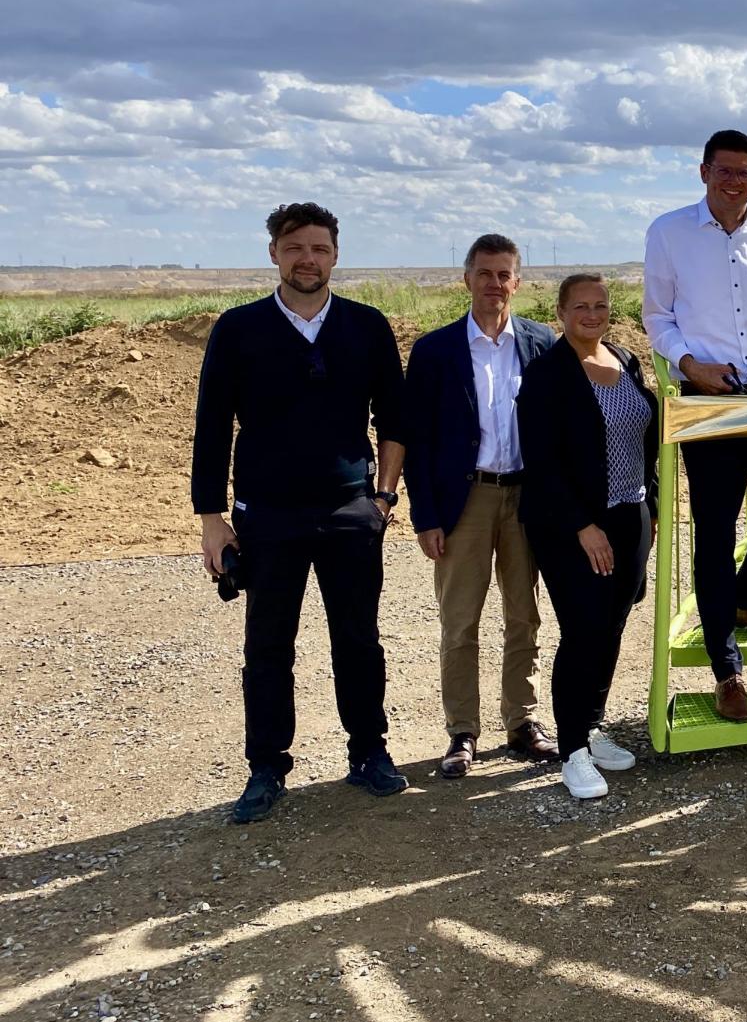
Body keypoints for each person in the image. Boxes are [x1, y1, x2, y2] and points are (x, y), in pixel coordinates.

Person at [192, 202, 408, 824]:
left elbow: (395, 421)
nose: (306, 259)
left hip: (349, 508)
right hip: (268, 513)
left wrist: (383, 498)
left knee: (359, 641)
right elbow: (211, 429)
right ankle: (266, 767)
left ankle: (369, 751)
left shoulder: (367, 327)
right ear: (274, 255)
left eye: (318, 248)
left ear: (336, 255)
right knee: (267, 645)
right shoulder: (238, 329)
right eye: (294, 248)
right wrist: (212, 519)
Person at [642, 129, 747, 725]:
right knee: (713, 533)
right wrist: (691, 366)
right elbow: (657, 317)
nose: (733, 181)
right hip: (707, 397)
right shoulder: (668, 232)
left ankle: (744, 597)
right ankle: (727, 670)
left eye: (744, 172)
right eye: (724, 170)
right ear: (704, 171)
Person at [403, 233, 560, 778]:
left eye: (505, 275)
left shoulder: (541, 343)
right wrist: (425, 515)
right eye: (485, 274)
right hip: (462, 500)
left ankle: (522, 721)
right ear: (466, 278)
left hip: (525, 497)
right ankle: (462, 732)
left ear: (518, 281)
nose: (495, 284)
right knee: (460, 621)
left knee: (525, 615)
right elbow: (416, 439)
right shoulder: (434, 351)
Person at [517, 274, 661, 800]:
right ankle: (572, 749)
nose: (593, 314)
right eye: (581, 306)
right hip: (570, 525)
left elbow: (645, 439)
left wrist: (652, 501)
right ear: (561, 312)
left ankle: (593, 725)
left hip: (630, 514)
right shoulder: (546, 374)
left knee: (614, 623)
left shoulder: (625, 361)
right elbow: (543, 462)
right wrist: (582, 525)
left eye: (601, 305)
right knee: (583, 629)